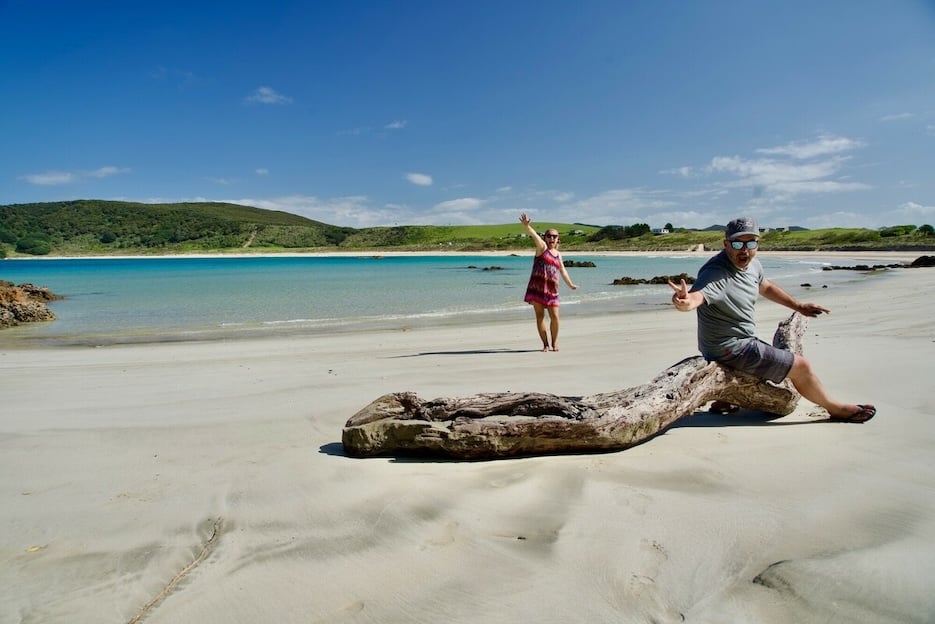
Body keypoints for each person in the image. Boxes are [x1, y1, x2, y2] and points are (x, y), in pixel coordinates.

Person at [668, 217, 876, 422]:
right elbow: (697, 296)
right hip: (728, 347)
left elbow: (765, 286)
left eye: (751, 243)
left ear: (757, 243)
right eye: (738, 243)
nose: (744, 250)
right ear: (726, 244)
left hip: (741, 341)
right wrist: (684, 301)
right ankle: (835, 408)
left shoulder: (753, 266)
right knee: (800, 366)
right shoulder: (716, 273)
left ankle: (727, 399)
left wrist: (798, 306)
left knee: (775, 362)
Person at [519, 212, 578, 351]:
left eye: (554, 236)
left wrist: (570, 284)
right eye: (549, 236)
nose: (552, 238)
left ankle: (554, 343)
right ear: (545, 238)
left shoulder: (559, 255)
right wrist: (527, 227)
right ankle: (545, 344)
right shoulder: (542, 248)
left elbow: (562, 270)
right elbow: (534, 236)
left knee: (555, 317)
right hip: (537, 288)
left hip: (552, 290)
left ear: (558, 239)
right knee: (540, 317)